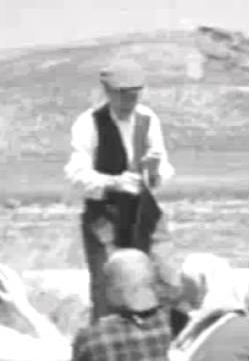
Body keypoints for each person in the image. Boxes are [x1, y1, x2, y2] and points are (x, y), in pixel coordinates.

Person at [64, 58, 181, 322]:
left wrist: (155, 175)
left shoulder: (148, 118)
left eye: (135, 95)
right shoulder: (89, 123)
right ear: (109, 92)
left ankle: (163, 339)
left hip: (144, 211)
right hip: (105, 215)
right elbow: (76, 175)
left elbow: (161, 161)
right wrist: (113, 182)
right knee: (110, 289)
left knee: (167, 278)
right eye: (124, 96)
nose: (130, 101)